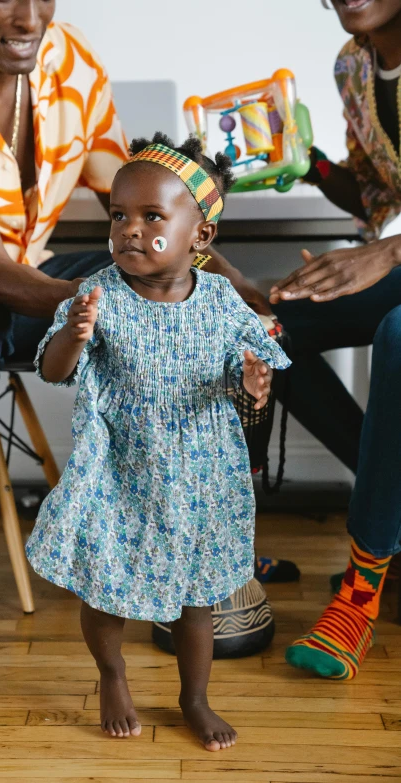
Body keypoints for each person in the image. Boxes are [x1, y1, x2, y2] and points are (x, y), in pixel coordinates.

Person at [0, 0, 277, 634]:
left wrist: (233, 286)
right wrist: (120, 302)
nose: (31, 16)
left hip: (26, 268)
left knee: (190, 302)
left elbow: (144, 199)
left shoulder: (68, 56)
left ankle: (208, 534)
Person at [25, 133, 291, 750]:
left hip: (200, 473)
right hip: (119, 466)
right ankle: (112, 673)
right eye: (119, 216)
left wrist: (252, 383)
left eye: (151, 217)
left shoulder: (222, 301)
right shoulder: (99, 294)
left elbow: (247, 375)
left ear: (200, 236)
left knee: (197, 599)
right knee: (106, 585)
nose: (130, 231)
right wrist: (76, 334)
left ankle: (193, 697)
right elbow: (53, 369)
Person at [269, 0, 401, 680]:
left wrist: (389, 252)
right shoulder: (353, 64)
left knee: (398, 330)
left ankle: (363, 584)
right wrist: (305, 162)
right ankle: (394, 517)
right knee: (272, 326)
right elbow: (377, 193)